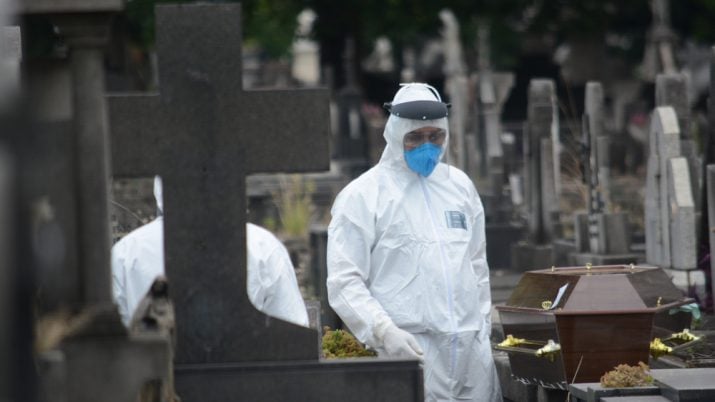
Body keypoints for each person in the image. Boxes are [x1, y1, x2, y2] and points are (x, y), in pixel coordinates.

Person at [326, 83, 501, 401]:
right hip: (409, 352)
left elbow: (477, 266)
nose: (427, 146)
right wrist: (382, 331)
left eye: (436, 137)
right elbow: (344, 281)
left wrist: (482, 328)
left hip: (471, 355)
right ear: (395, 135)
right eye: (415, 138)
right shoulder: (363, 197)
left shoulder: (459, 187)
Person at [112, 176, 309, 328]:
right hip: (242, 376)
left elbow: (112, 344)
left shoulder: (126, 252)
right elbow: (293, 329)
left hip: (155, 376)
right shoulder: (262, 245)